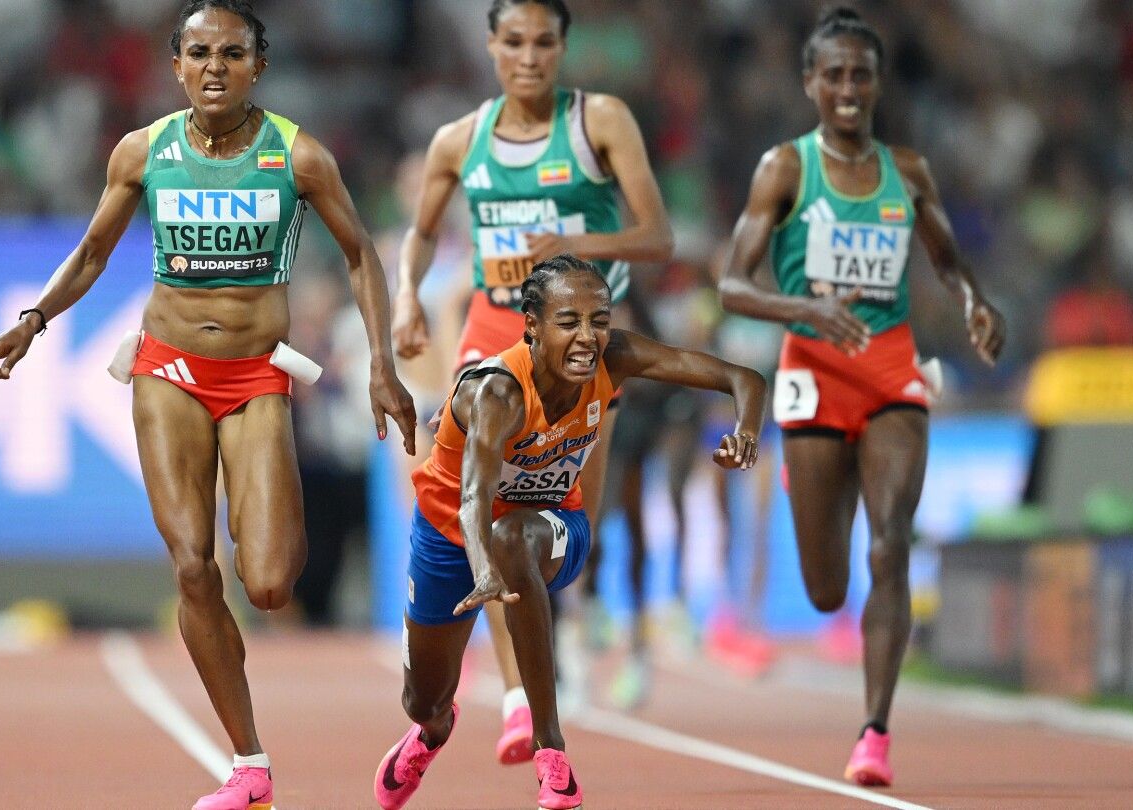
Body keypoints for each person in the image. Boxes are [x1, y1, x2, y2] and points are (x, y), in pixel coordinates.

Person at [0, 3, 417, 809]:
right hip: (167, 368)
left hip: (254, 377)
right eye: (200, 53)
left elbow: (362, 257)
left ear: (260, 65)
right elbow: (91, 252)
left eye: (233, 53)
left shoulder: (299, 155)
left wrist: (383, 365)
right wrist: (32, 322)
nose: (216, 66)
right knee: (190, 563)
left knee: (272, 583)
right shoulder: (144, 152)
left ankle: (255, 692)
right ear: (176, 65)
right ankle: (249, 762)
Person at [718, 7, 1005, 789]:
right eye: (834, 75)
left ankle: (874, 732)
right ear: (811, 83)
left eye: (861, 75)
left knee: (890, 542)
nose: (849, 89)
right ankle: (815, 479)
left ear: (878, 84)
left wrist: (976, 302)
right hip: (812, 370)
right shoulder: (784, 168)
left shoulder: (906, 171)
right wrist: (804, 308)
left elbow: (947, 262)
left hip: (889, 371)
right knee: (825, 587)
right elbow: (733, 284)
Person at [374, 255, 765, 810]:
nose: (588, 338)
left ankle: (550, 751)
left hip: (551, 527)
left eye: (599, 320)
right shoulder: (498, 394)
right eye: (569, 322)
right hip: (450, 533)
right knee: (422, 699)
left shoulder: (615, 357)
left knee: (513, 538)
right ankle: (433, 732)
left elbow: (742, 377)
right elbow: (472, 500)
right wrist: (482, 571)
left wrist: (745, 430)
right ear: (531, 327)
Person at [390, 0, 672, 762]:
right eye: (513, 41)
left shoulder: (599, 122)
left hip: (581, 350)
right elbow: (419, 234)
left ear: (562, 47)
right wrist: (408, 296)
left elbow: (657, 235)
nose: (529, 56)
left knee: (575, 520)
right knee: (480, 513)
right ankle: (519, 698)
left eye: (544, 42)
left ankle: (560, 634)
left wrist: (572, 240)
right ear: (490, 46)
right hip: (492, 336)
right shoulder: (461, 140)